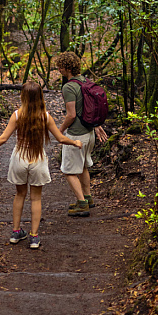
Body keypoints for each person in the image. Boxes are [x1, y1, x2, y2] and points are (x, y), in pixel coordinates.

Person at [0, 81, 82, 249]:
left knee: (20, 195)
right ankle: (34, 237)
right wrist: (75, 142)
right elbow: (60, 138)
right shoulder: (45, 116)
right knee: (36, 198)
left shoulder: (17, 115)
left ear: (22, 96)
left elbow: (3, 138)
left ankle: (16, 232)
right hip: (37, 159)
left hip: (19, 158)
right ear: (40, 97)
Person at [56, 51, 108, 217]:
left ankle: (82, 203)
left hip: (76, 136)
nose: (59, 70)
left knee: (69, 171)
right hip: (89, 132)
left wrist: (59, 131)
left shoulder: (69, 87)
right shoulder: (86, 82)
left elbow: (71, 115)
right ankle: (88, 197)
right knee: (83, 166)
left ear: (66, 68)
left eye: (60, 67)